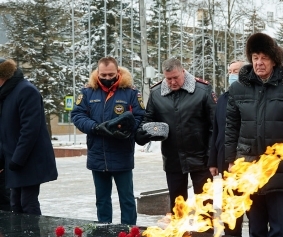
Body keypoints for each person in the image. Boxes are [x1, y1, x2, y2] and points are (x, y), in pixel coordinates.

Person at [224, 33, 283, 237]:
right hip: (248, 164)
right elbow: (232, 126)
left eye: (264, 58)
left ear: (274, 60)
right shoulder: (238, 88)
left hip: (279, 164)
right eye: (255, 57)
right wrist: (230, 160)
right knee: (255, 225)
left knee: (278, 227)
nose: (259, 63)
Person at [136, 57, 216, 211]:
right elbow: (148, 119)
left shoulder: (203, 90)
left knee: (205, 207)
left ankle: (205, 235)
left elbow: (214, 126)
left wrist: (211, 155)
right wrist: (143, 133)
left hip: (201, 159)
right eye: (168, 79)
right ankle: (180, 235)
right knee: (177, 207)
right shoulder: (156, 93)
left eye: (175, 78)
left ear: (183, 71)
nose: (172, 82)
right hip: (173, 159)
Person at [71, 56, 144, 225]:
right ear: (97, 73)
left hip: (122, 153)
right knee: (102, 200)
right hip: (98, 154)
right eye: (103, 75)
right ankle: (104, 233)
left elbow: (140, 116)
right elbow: (77, 115)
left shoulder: (130, 92)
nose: (107, 78)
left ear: (118, 72)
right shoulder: (88, 92)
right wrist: (95, 127)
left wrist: (127, 130)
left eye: (111, 74)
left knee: (126, 199)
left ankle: (129, 231)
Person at [0, 58, 58, 215]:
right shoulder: (5, 94)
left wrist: (17, 159)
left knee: (28, 203)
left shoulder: (25, 91)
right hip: (15, 159)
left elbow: (30, 130)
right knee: (16, 203)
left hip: (29, 159)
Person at [208, 60, 245, 237]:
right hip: (224, 159)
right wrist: (213, 160)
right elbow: (216, 131)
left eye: (236, 71)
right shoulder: (223, 98)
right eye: (230, 71)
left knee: (247, 204)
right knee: (230, 205)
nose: (232, 74)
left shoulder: (249, 96)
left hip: (245, 161)